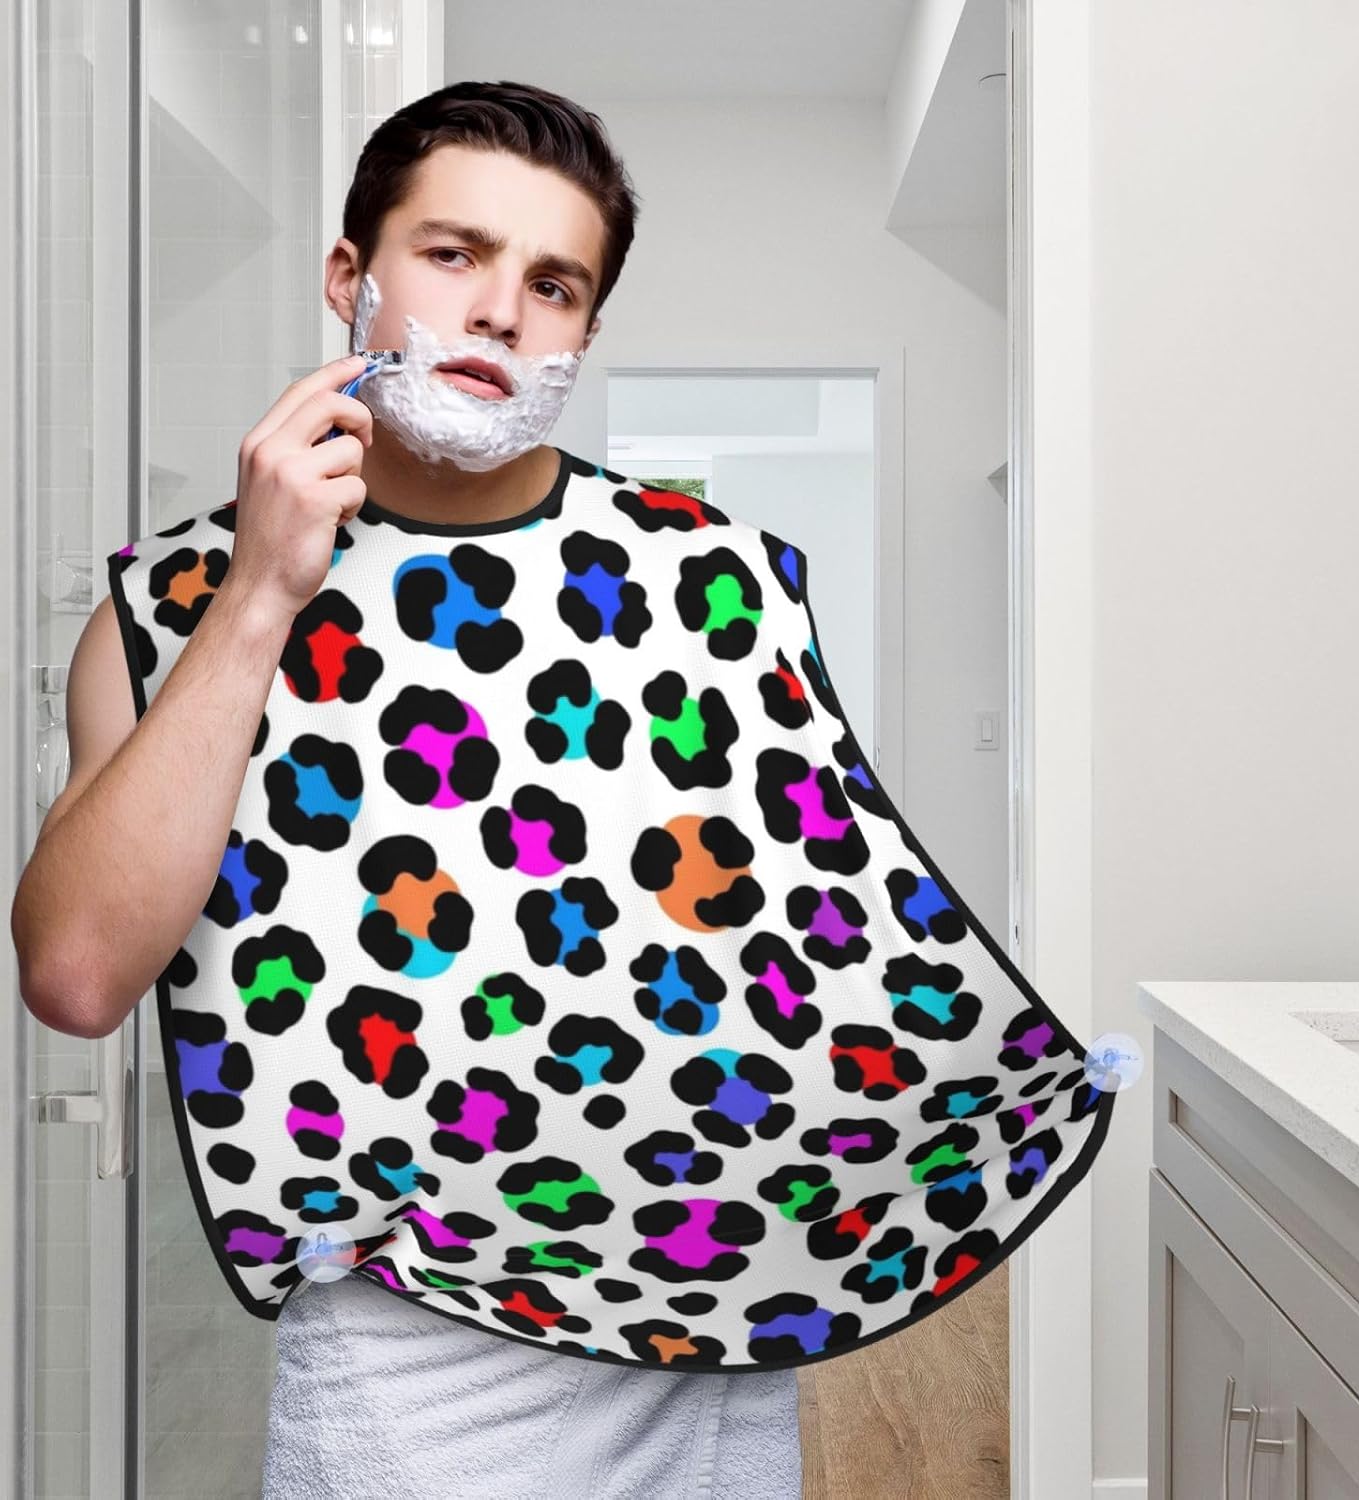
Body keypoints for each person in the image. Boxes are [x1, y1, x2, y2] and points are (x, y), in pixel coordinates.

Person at [14, 79, 804, 1497]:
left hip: (701, 1292)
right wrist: (262, 593)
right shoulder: (171, 604)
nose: (500, 312)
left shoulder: (713, 578)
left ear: (585, 331)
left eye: (553, 284)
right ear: (350, 279)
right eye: (454, 254)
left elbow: (800, 944)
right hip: (402, 1338)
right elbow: (75, 976)